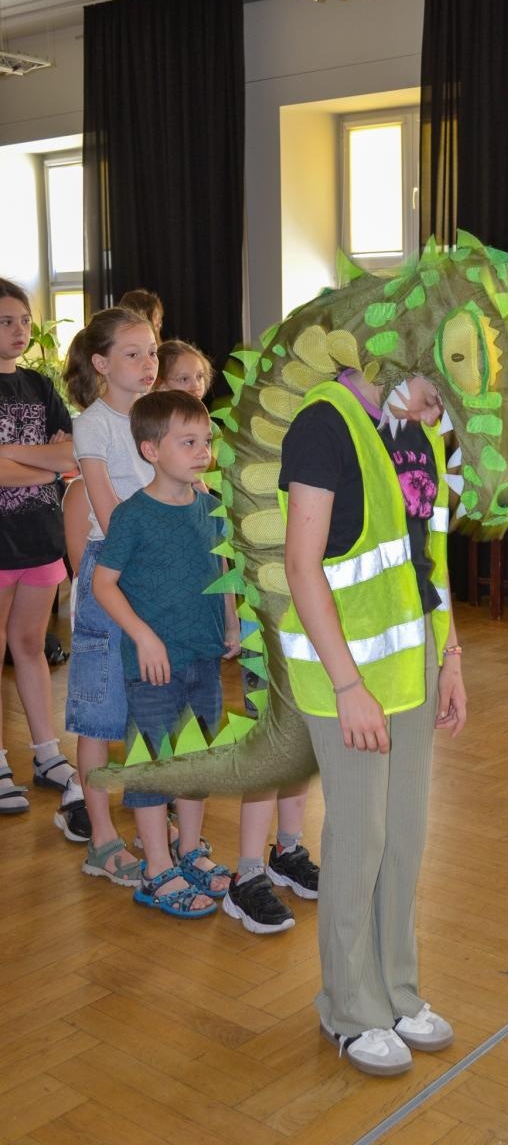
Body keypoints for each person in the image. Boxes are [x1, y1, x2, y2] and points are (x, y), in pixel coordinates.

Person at [278, 365, 466, 1076]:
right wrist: (349, 684)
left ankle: (396, 991)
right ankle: (350, 1008)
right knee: (360, 837)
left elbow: (427, 556)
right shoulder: (322, 426)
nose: (437, 404)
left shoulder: (415, 433)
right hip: (345, 671)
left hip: (411, 656)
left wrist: (449, 655)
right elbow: (303, 566)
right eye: (433, 382)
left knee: (406, 834)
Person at [155, 338, 321, 932]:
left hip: (311, 628)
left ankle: (288, 850)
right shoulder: (231, 468)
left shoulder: (316, 449)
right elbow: (228, 556)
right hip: (263, 630)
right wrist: (233, 620)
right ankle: (247, 873)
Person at [92, 390, 240, 917]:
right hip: (154, 665)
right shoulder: (133, 516)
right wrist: (144, 636)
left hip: (203, 656)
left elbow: (222, 569)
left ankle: (190, 850)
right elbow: (105, 585)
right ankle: (156, 869)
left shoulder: (210, 507)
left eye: (206, 441)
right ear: (151, 450)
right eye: (188, 442)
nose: (203, 451)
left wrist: (231, 619)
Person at [63, 306, 160, 885]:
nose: (149, 363)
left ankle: (152, 820)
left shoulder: (158, 417)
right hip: (114, 569)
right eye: (134, 353)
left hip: (160, 566)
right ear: (101, 363)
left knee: (153, 703)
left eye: (152, 351)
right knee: (100, 711)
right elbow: (108, 511)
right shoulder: (92, 425)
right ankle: (101, 836)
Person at [0, 277, 89, 839]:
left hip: (40, 535)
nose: (19, 331)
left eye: (24, 321)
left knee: (30, 646)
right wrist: (49, 464)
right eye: (6, 321)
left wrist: (22, 457)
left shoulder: (38, 384)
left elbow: (75, 452)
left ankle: (45, 751)